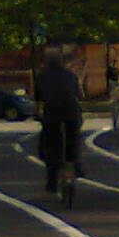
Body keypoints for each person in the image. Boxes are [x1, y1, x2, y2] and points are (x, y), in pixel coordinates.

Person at [35, 52, 82, 192]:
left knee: (49, 146)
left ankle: (51, 181)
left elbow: (38, 100)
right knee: (73, 137)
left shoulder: (41, 76)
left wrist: (38, 114)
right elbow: (78, 95)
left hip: (52, 114)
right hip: (72, 113)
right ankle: (75, 163)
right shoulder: (70, 75)